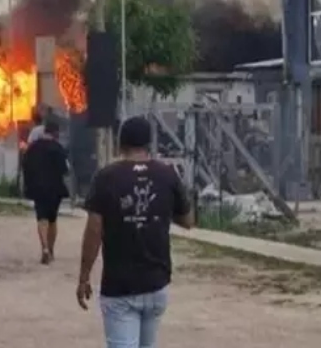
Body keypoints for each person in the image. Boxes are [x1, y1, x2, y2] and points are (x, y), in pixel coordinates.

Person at [77, 116, 194, 348]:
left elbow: (94, 231)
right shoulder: (167, 174)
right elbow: (188, 220)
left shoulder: (106, 177)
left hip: (120, 286)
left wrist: (84, 277)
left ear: (121, 144)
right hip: (156, 283)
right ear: (149, 143)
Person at [22, 120, 69, 264]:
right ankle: (51, 249)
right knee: (52, 220)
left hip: (37, 188)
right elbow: (65, 170)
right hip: (55, 189)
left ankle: (44, 249)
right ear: (56, 133)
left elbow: (25, 166)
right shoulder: (58, 148)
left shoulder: (33, 148)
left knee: (41, 219)